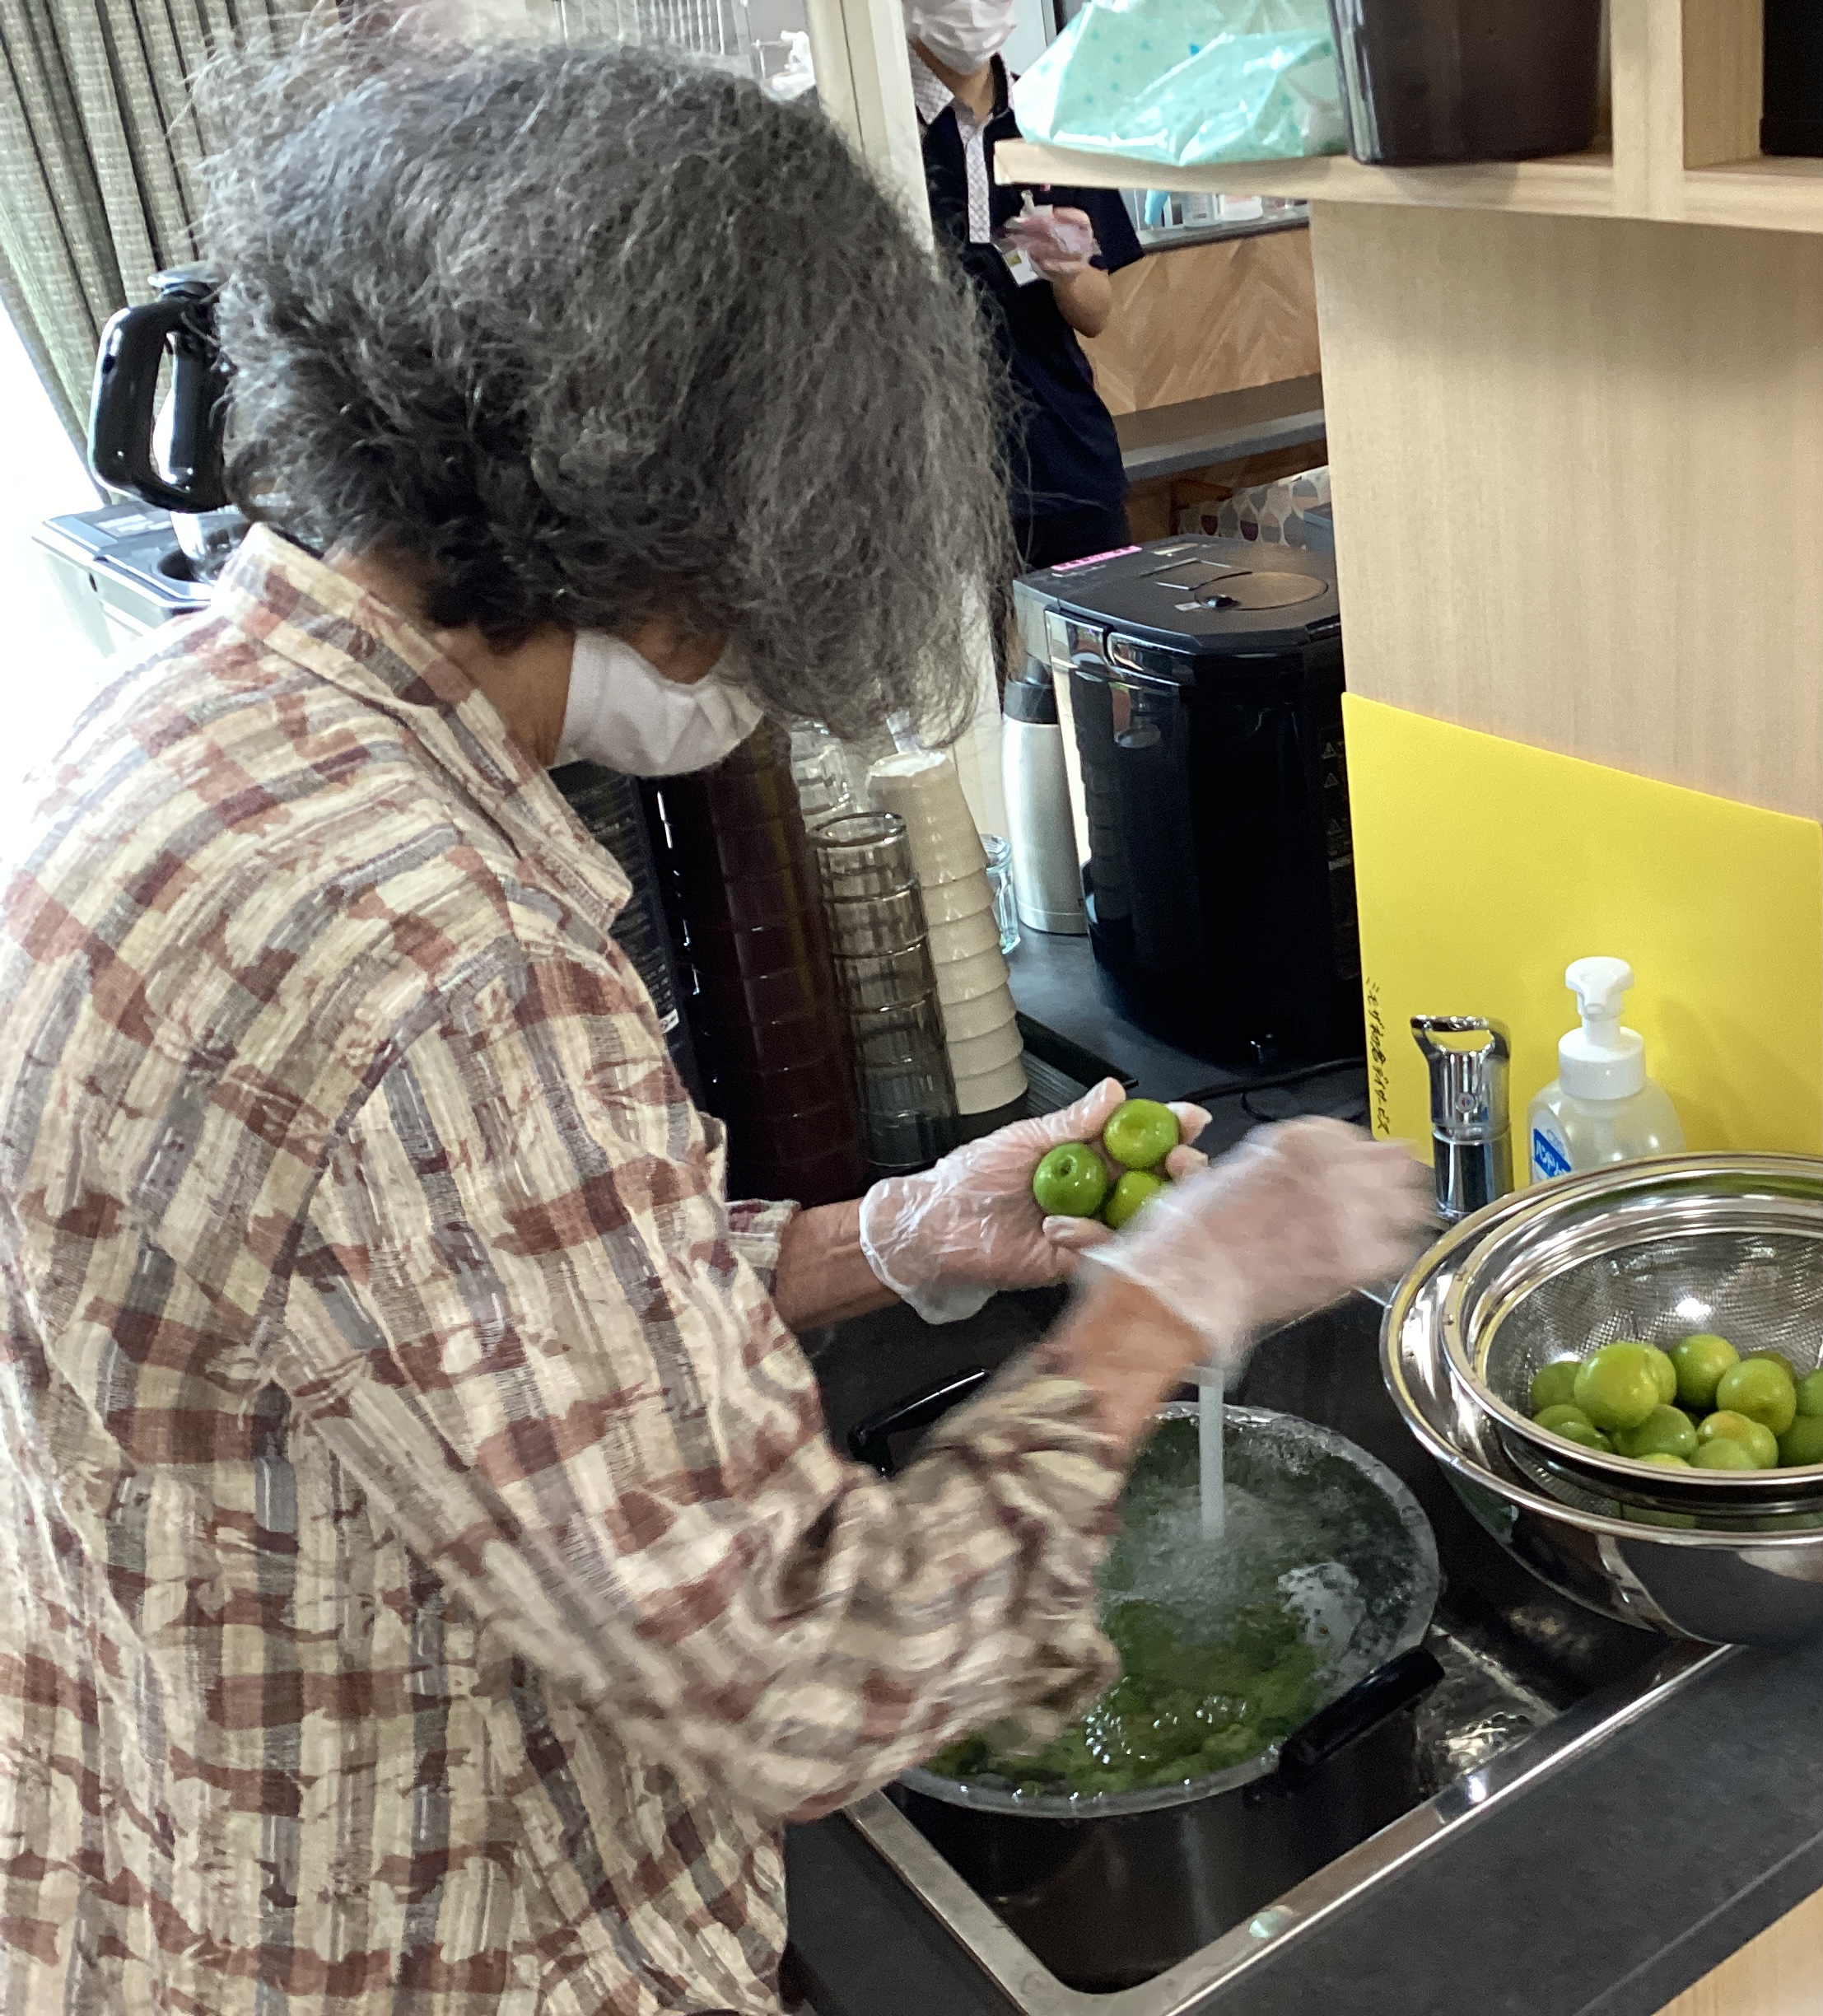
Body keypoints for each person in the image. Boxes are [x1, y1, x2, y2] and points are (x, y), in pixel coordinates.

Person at [0, 41, 1433, 2016]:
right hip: (425, 1938)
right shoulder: (440, 953)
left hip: (161, 1859)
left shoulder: (188, 725)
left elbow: (462, 1324)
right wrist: (1168, 1306)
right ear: (682, 510)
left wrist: (891, 1235)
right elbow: (808, 1673)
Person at [911, 0, 1145, 569]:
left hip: (1063, 461)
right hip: (928, 480)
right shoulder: (869, 124)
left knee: (1093, 622)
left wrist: (1069, 269)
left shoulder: (1051, 119)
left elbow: (1095, 313)